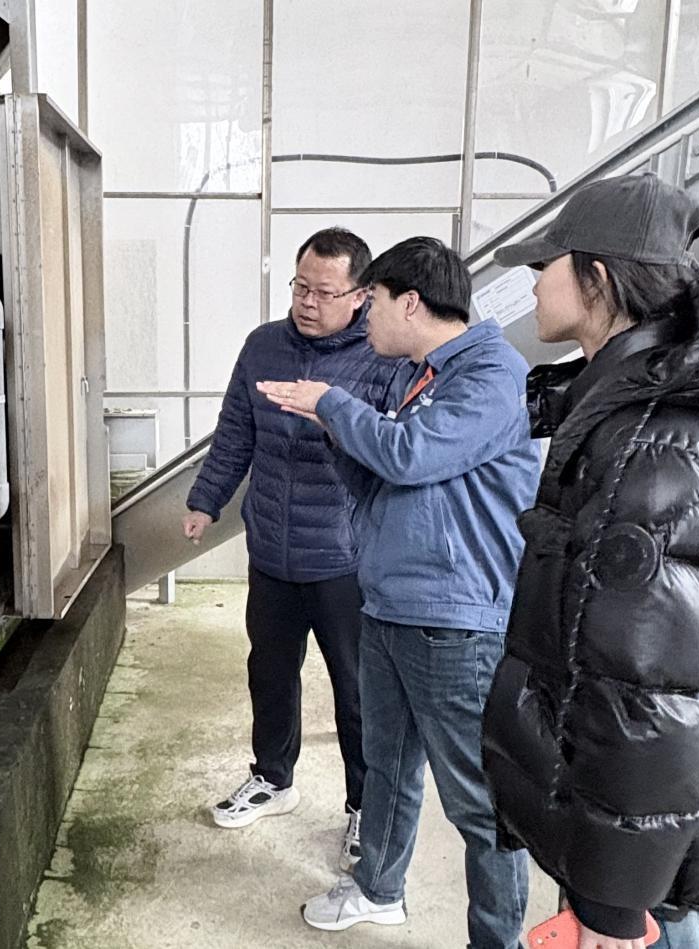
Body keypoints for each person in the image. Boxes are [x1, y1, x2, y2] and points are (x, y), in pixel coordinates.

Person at [481, 172, 699, 949]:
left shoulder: (658, 451)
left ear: (596, 279)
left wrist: (610, 903)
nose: (533, 284)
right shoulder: (633, 416)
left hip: (644, 853)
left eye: (546, 265)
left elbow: (652, 698)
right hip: (644, 831)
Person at [260, 236, 540, 947]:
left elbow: (410, 456)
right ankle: (378, 888)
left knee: (478, 801)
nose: (364, 317)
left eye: (372, 302)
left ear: (409, 302)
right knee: (386, 766)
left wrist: (333, 403)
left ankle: (497, 938)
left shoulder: (490, 374)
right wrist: (334, 428)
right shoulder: (424, 374)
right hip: (391, 604)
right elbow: (385, 477)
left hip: (454, 618)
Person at [183, 227, 400, 870]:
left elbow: (394, 451)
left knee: (357, 691)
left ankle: (364, 805)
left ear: (360, 296)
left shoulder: (382, 357)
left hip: (343, 558)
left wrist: (332, 418)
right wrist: (206, 500)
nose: (307, 301)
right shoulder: (263, 346)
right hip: (272, 552)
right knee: (270, 672)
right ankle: (273, 778)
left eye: (324, 292)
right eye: (300, 286)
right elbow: (234, 433)